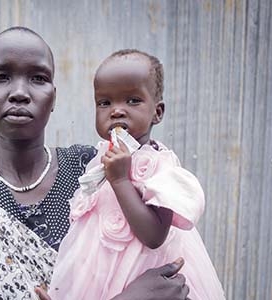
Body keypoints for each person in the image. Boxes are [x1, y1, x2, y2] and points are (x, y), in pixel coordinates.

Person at [0, 27, 192, 300]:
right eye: (1, 77)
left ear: (54, 97)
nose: (19, 93)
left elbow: (165, 260)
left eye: (38, 78)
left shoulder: (96, 170)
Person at [47, 49, 225, 300]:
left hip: (150, 285)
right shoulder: (99, 159)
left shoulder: (162, 168)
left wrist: (120, 180)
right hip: (100, 282)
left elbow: (154, 237)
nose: (116, 111)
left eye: (132, 100)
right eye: (104, 102)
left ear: (158, 112)